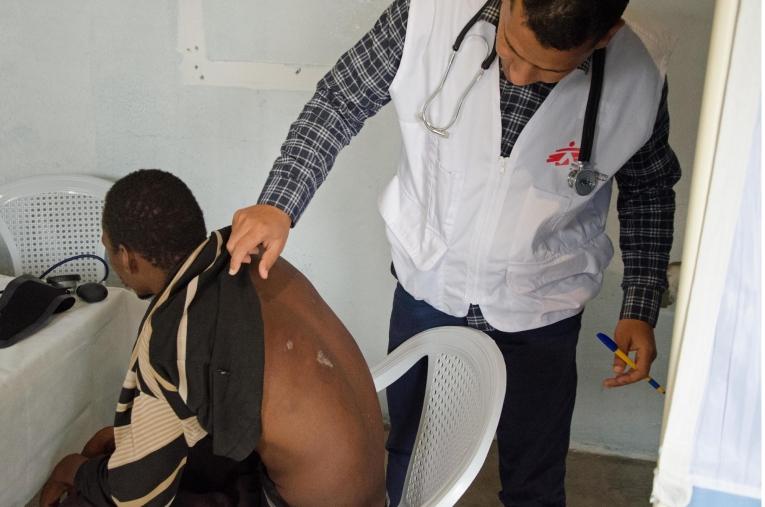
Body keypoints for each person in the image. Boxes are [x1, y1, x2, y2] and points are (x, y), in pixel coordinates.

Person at [225, 0, 681, 505]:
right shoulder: (427, 14)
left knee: (535, 474)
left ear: (605, 36)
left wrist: (639, 303)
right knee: (409, 449)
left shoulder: (639, 74)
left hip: (543, 306)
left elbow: (650, 189)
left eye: (551, 70)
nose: (520, 74)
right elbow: (339, 101)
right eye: (510, 48)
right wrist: (279, 203)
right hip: (430, 288)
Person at [39, 169, 386, 507]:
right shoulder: (254, 256)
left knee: (89, 496)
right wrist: (133, 438)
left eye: (110, 249)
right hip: (374, 486)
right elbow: (231, 387)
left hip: (289, 498)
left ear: (128, 258)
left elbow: (137, 496)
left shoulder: (176, 330)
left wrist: (76, 470)